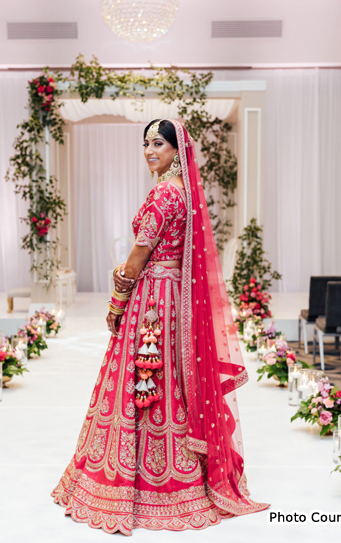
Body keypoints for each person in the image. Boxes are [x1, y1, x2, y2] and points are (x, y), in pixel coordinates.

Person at [52, 119, 268, 535]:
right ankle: (179, 478)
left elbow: (136, 258)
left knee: (141, 380)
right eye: (146, 143)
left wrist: (117, 302)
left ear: (176, 149)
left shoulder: (163, 194)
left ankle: (131, 482)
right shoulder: (184, 194)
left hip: (151, 300)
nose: (150, 150)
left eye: (159, 143)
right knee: (167, 379)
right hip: (174, 303)